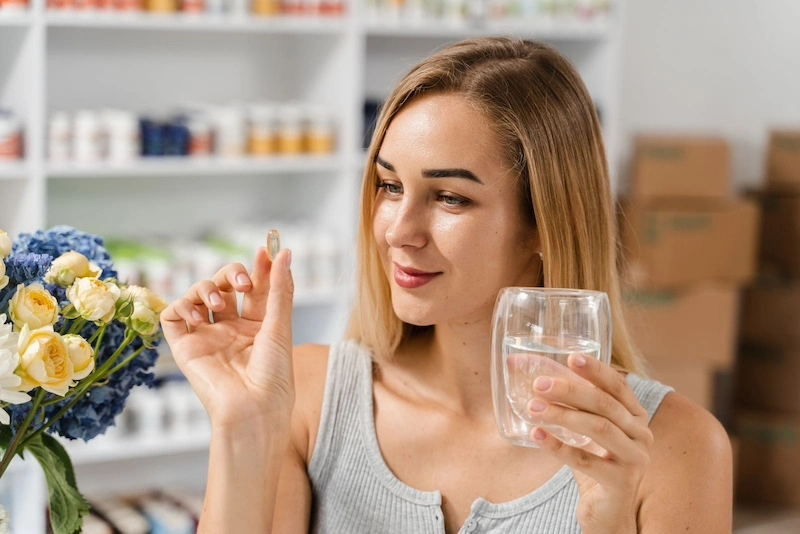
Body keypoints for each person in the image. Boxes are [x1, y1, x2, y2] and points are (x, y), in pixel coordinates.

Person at [161, 37, 732, 533]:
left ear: (545, 222)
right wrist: (242, 428)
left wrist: (608, 519)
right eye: (389, 186)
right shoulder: (307, 398)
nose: (398, 231)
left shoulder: (675, 449)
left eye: (451, 197)